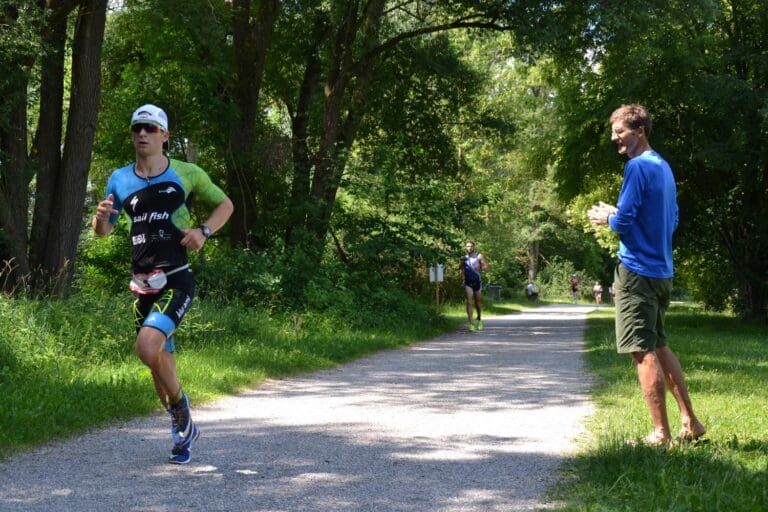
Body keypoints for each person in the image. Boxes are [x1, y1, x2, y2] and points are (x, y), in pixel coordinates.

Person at [93, 104, 234, 463]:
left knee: (146, 347)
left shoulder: (187, 173)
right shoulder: (119, 178)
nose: (143, 134)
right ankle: (182, 433)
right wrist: (99, 221)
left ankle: (182, 410)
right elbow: (104, 231)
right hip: (141, 285)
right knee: (157, 363)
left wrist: (204, 231)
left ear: (165, 136)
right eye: (137, 128)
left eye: (151, 129)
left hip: (176, 279)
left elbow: (226, 205)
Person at [588, 104, 705, 446]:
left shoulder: (637, 167)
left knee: (642, 351)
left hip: (636, 272)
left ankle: (661, 434)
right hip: (662, 272)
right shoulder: (664, 167)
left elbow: (623, 223)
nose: (615, 138)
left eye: (620, 131)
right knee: (660, 344)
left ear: (640, 131)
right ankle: (690, 422)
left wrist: (606, 218)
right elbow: (672, 219)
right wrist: (620, 214)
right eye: (614, 132)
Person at [459, 241, 489, 331]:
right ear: (465, 247)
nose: (469, 248)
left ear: (474, 247)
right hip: (468, 282)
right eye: (468, 246)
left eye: (471, 246)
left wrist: (482, 266)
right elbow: (461, 270)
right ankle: (471, 323)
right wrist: (462, 275)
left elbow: (487, 269)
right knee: (469, 301)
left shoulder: (478, 256)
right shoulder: (463, 258)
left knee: (478, 302)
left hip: (477, 281)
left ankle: (479, 319)